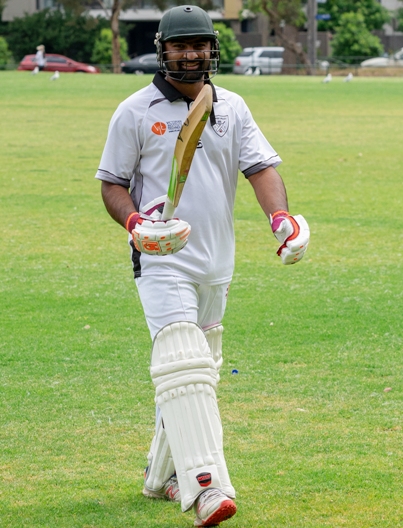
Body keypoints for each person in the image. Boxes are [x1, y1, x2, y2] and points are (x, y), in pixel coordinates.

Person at [95, 5, 310, 526]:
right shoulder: (135, 111)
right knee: (183, 363)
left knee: (196, 373)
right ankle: (206, 488)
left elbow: (260, 167)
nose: (191, 54)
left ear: (212, 48)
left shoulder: (232, 106)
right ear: (162, 48)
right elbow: (111, 184)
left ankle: (159, 476)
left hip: (217, 263)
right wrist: (134, 225)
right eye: (180, 45)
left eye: (199, 45)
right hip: (163, 258)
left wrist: (281, 217)